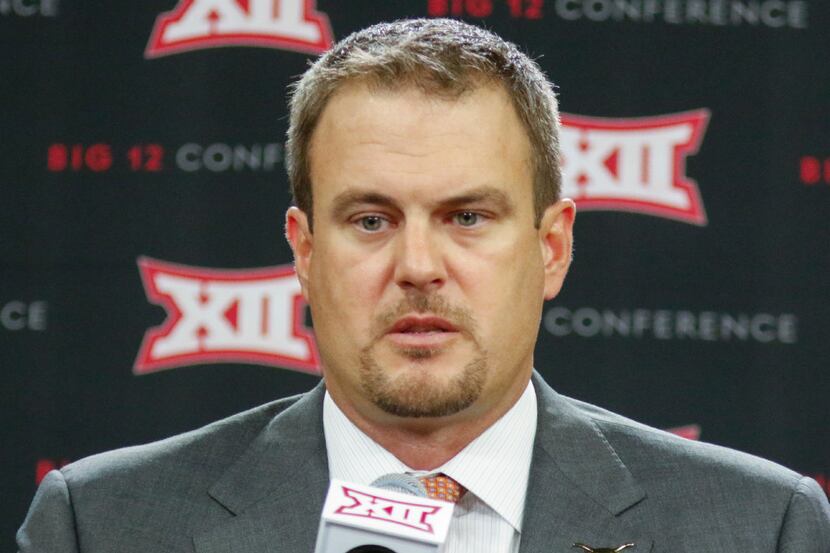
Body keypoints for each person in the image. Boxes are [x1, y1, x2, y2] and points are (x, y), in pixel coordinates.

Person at [17, 18, 830, 553]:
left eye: (468, 216)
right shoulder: (103, 524)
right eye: (370, 219)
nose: (417, 265)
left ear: (552, 247)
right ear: (302, 250)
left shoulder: (758, 528)